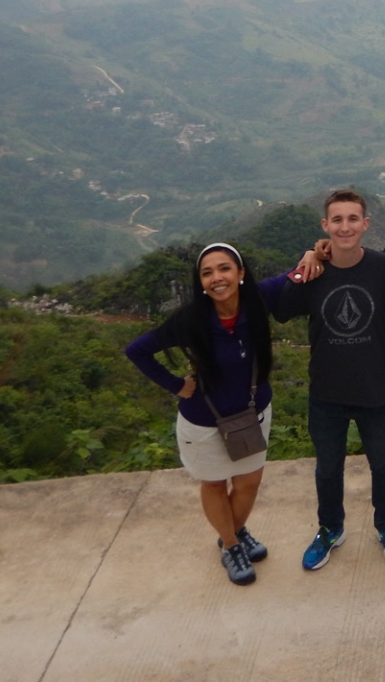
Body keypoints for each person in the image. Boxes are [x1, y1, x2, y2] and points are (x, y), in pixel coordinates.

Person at [125, 243, 289, 585]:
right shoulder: (192, 321)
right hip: (203, 422)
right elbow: (137, 350)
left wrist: (316, 253)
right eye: (207, 272)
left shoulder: (257, 301)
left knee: (249, 481)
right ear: (200, 282)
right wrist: (176, 385)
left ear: (241, 273)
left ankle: (235, 531)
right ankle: (230, 544)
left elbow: (297, 275)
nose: (217, 278)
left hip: (252, 414)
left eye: (225, 269)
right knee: (214, 484)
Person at [274, 189, 385, 572]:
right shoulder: (315, 270)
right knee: (327, 467)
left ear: (366, 224)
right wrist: (307, 259)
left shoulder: (383, 266)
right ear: (325, 225)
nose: (345, 226)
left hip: (373, 387)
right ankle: (330, 528)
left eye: (353, 219)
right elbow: (282, 309)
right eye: (337, 220)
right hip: (327, 390)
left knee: (383, 464)